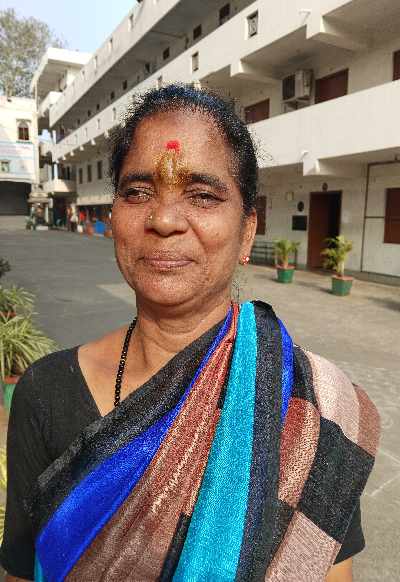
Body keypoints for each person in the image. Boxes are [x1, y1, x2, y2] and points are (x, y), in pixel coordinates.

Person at [0, 85, 380, 582]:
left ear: (247, 231)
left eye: (202, 195)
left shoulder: (306, 407)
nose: (163, 220)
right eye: (137, 193)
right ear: (114, 215)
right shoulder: (47, 392)